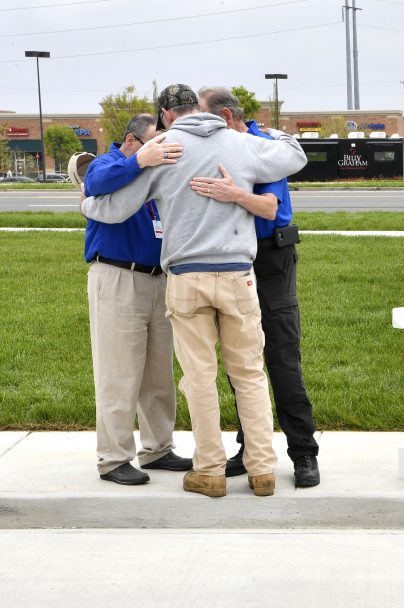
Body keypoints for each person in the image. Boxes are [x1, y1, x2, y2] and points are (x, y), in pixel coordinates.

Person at [81, 84, 308, 499]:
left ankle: (210, 470)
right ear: (214, 113)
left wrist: (85, 205)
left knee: (199, 377)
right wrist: (268, 132)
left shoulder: (165, 149)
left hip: (186, 278)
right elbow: (295, 155)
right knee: (250, 375)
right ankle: (262, 471)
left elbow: (112, 208)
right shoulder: (241, 143)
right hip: (240, 275)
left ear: (168, 117)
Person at [191, 86, 320, 488]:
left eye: (205, 117)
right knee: (241, 359)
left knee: (281, 355)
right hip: (236, 259)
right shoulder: (222, 149)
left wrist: (234, 194)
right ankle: (251, 452)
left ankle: (303, 454)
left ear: (227, 117)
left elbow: (270, 208)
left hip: (273, 257)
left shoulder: (263, 149)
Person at [83, 113, 193, 485]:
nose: (160, 151)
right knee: (119, 372)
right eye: (153, 144)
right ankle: (113, 458)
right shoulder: (109, 162)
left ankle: (157, 448)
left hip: (159, 279)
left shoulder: (154, 172)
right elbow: (96, 183)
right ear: (131, 142)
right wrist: (139, 162)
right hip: (117, 277)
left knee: (158, 372)